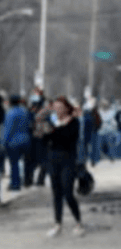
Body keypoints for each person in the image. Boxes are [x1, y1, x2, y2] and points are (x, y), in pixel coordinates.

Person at [41, 96, 85, 237]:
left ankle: (78, 222)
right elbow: (45, 139)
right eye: (55, 107)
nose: (58, 110)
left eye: (61, 107)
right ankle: (57, 224)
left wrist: (53, 131)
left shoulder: (74, 122)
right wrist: (46, 132)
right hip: (53, 159)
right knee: (56, 193)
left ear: (67, 108)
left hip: (68, 160)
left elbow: (68, 138)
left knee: (68, 192)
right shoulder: (52, 122)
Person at [3, 93, 31, 191]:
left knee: (14, 163)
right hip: (26, 139)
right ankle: (27, 180)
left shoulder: (10, 113)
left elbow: (8, 129)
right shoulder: (25, 111)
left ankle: (15, 184)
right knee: (25, 162)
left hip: (13, 141)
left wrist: (4, 142)